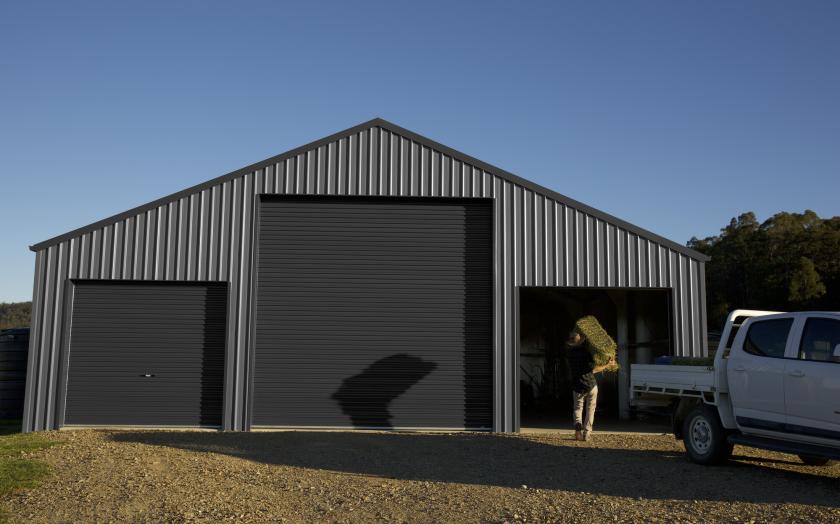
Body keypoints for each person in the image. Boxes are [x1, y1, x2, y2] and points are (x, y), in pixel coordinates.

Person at [565, 328, 615, 441]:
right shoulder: (586, 353)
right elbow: (593, 369)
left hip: (577, 385)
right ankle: (587, 433)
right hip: (590, 384)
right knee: (590, 409)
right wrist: (608, 365)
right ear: (581, 340)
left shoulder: (569, 354)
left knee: (577, 408)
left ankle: (578, 430)